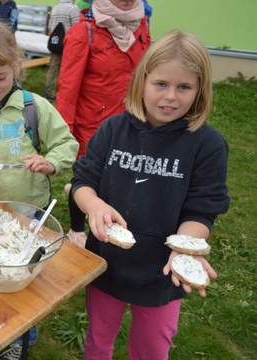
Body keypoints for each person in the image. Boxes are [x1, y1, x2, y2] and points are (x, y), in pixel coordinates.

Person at [70, 30, 230, 359]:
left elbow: (202, 212)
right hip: (106, 266)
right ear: (141, 81)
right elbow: (83, 180)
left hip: (163, 274)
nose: (170, 96)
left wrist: (185, 250)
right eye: (161, 84)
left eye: (184, 87)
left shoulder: (207, 145)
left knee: (152, 349)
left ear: (200, 91)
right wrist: (95, 205)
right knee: (98, 342)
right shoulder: (112, 129)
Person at [0, 17, 78, 359]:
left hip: (30, 212)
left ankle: (22, 335)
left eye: (1, 77)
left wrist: (50, 162)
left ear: (17, 66)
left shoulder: (35, 108)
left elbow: (66, 143)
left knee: (24, 273)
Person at [56, 0, 151, 246]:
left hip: (131, 121)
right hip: (91, 125)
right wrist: (64, 133)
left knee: (121, 175)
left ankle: (115, 223)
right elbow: (68, 89)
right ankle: (77, 230)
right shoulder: (83, 32)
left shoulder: (141, 24)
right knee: (86, 177)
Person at [43, 0, 81, 102]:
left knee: (53, 68)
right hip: (68, 44)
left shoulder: (55, 8)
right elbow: (77, 28)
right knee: (68, 70)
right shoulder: (73, 9)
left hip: (55, 43)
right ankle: (65, 94)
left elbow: (50, 26)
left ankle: (48, 94)